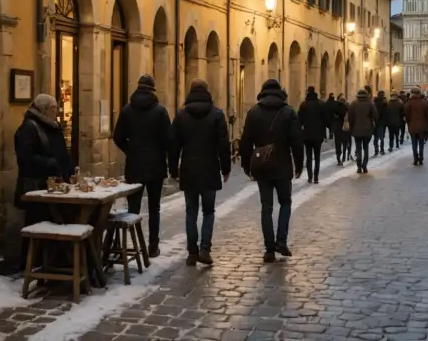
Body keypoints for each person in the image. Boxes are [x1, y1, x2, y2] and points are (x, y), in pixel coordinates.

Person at [240, 79, 303, 262]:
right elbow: (297, 142)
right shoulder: (288, 112)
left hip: (262, 166)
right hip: (283, 164)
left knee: (266, 207)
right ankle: (281, 240)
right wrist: (299, 165)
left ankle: (269, 249)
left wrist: (246, 165)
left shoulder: (253, 113)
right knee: (285, 203)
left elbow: (246, 142)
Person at [169, 79, 231, 266]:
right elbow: (223, 144)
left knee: (191, 211)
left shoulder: (181, 116)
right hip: (210, 168)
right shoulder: (217, 115)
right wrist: (226, 168)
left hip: (189, 168)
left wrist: (173, 169)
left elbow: (174, 146)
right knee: (208, 211)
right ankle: (205, 248)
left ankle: (192, 252)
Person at [113, 74, 171, 257]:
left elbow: (117, 137)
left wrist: (130, 150)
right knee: (154, 208)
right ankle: (153, 246)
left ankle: (135, 245)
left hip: (135, 165)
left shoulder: (127, 110)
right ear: (153, 90)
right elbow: (169, 139)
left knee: (134, 207)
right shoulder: (160, 112)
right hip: (156, 165)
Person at [14, 94, 74, 268]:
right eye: (54, 109)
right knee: (37, 223)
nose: (56, 112)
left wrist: (69, 170)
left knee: (56, 220)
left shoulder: (52, 126)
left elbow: (62, 153)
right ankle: (32, 265)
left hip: (52, 185)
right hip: (36, 187)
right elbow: (26, 158)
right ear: (44, 109)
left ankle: (53, 263)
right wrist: (52, 164)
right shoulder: (28, 128)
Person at [298, 86, 326, 183]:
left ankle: (310, 177)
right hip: (318, 135)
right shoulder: (321, 104)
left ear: (307, 93)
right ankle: (316, 177)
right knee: (317, 157)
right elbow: (325, 120)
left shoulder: (303, 105)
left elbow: (299, 121)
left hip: (307, 135)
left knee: (309, 157)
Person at [348, 89, 378, 173]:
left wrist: (351, 127)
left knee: (358, 148)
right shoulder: (370, 103)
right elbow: (375, 115)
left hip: (357, 129)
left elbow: (350, 117)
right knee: (366, 147)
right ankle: (364, 165)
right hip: (367, 129)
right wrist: (375, 126)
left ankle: (358, 166)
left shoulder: (354, 103)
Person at [405, 87, 428, 164]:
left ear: (412, 94)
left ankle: (415, 158)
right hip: (422, 126)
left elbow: (406, 114)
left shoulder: (409, 103)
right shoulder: (424, 102)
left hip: (412, 126)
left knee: (414, 143)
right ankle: (421, 157)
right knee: (421, 142)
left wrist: (407, 121)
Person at [331, 93, 350, 165]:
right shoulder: (347, 107)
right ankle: (344, 156)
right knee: (345, 142)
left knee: (338, 143)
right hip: (345, 128)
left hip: (337, 128)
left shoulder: (335, 107)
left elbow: (332, 116)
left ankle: (339, 157)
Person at [373, 90, 388, 156]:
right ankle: (382, 150)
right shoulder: (384, 103)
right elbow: (386, 113)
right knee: (381, 137)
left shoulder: (374, 102)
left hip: (375, 122)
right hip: (382, 122)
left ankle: (376, 150)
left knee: (376, 137)